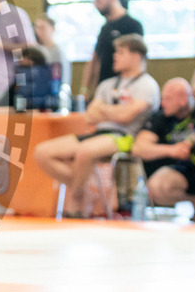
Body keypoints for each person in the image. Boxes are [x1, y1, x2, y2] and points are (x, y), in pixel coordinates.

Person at [33, 34, 160, 216]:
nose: (115, 56)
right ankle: (84, 192)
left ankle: (77, 200)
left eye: (121, 52)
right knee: (43, 153)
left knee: (84, 151)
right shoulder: (107, 85)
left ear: (136, 56)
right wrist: (113, 112)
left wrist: (103, 110)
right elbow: (90, 117)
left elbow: (127, 116)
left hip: (126, 137)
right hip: (98, 133)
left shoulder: (147, 85)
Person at [132, 79, 195, 223]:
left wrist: (194, 139)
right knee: (155, 187)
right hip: (184, 173)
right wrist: (171, 150)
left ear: (183, 99)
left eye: (167, 99)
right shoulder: (162, 117)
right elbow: (138, 148)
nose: (163, 103)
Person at [81, 0, 143, 98]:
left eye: (99, 0)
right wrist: (85, 89)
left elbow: (140, 60)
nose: (96, 4)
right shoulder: (105, 28)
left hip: (125, 91)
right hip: (104, 89)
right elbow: (95, 59)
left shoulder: (133, 25)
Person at [34, 14, 71, 89]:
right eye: (37, 28)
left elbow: (63, 80)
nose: (38, 32)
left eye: (42, 28)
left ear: (53, 28)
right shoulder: (35, 50)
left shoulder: (58, 52)